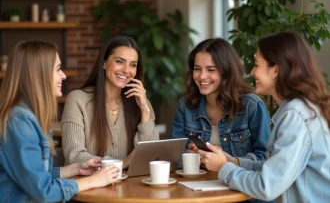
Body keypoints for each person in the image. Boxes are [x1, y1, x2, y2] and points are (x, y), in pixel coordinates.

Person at [198, 32, 330, 202]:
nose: (252, 72)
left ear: (275, 70)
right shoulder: (297, 109)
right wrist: (232, 161)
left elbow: (267, 186)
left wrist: (224, 167)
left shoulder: (295, 115)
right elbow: (276, 168)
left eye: (256, 65)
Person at [0, 41, 120, 202]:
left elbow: (35, 175)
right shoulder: (20, 122)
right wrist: (93, 181)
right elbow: (43, 191)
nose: (63, 75)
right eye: (57, 69)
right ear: (39, 74)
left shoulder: (30, 116)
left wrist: (76, 168)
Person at [171, 37, 271, 167]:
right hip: (197, 184)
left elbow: (267, 158)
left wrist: (230, 162)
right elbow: (173, 156)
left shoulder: (251, 105)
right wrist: (191, 158)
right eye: (197, 69)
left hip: (238, 184)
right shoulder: (185, 106)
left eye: (211, 69)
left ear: (226, 71)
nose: (202, 76)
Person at [61, 36, 159, 168]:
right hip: (89, 186)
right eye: (119, 61)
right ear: (104, 62)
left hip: (130, 187)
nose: (126, 70)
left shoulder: (141, 103)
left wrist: (145, 112)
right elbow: (74, 156)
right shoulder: (78, 100)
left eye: (133, 65)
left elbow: (149, 160)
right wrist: (121, 164)